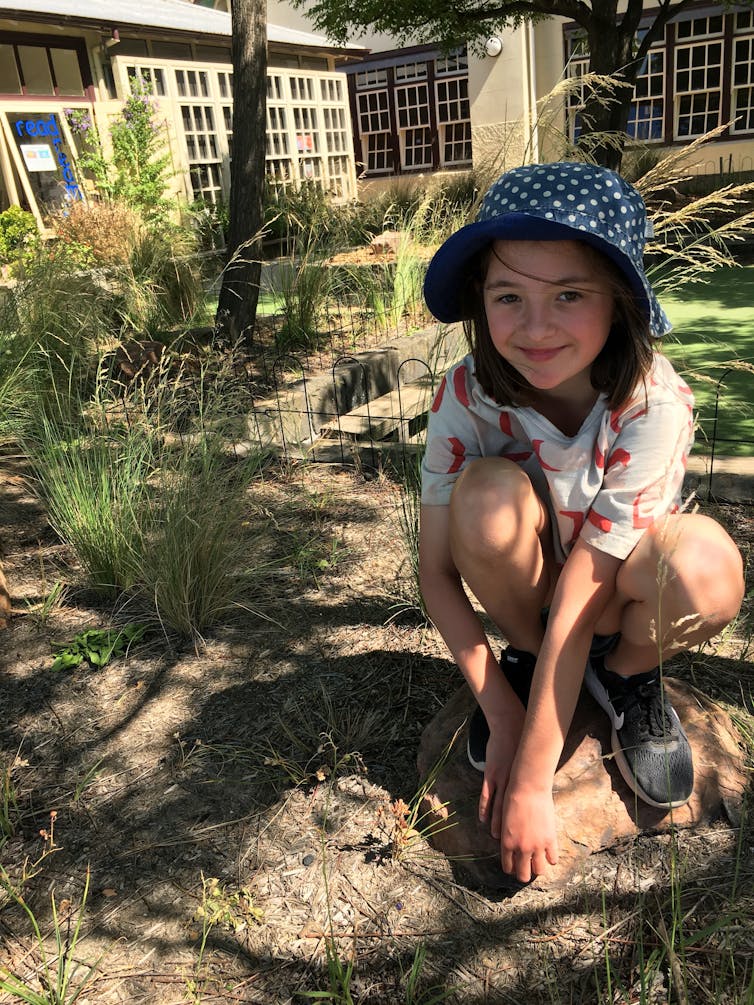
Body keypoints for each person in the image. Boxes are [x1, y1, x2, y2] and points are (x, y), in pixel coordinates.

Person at [419, 161, 745, 885]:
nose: (536, 327)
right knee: (485, 496)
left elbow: (587, 590)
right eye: (509, 295)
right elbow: (435, 573)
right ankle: (533, 665)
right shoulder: (466, 396)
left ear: (620, 300)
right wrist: (503, 709)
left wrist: (533, 777)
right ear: (480, 299)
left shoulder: (652, 401)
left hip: (612, 597)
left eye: (568, 293)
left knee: (709, 569)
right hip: (536, 607)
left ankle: (626, 677)